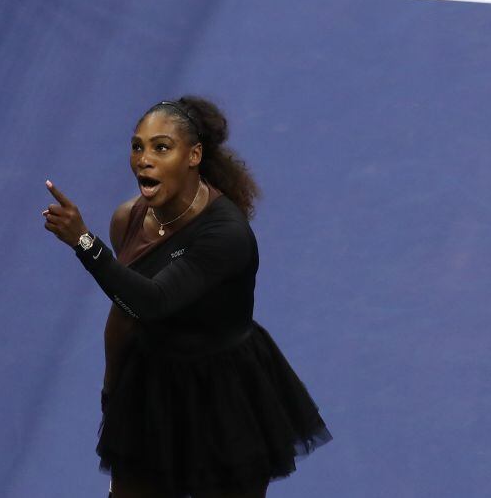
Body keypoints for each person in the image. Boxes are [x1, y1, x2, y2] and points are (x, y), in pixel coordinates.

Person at [42, 96, 330, 497]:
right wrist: (112, 389)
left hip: (226, 396)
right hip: (152, 386)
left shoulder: (225, 235)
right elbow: (125, 314)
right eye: (137, 146)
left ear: (193, 155)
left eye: (161, 147)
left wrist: (84, 242)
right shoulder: (129, 219)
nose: (144, 158)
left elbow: (152, 301)